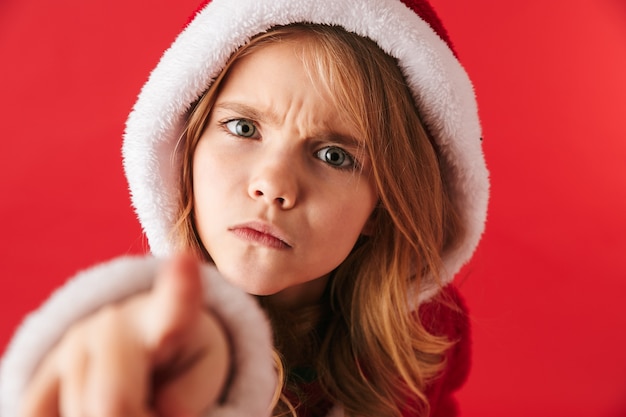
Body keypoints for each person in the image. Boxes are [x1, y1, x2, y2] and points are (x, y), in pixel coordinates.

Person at [0, 0, 489, 416]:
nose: (273, 186)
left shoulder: (427, 338)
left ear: (381, 209)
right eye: (243, 129)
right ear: (183, 149)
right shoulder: (164, 338)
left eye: (334, 156)